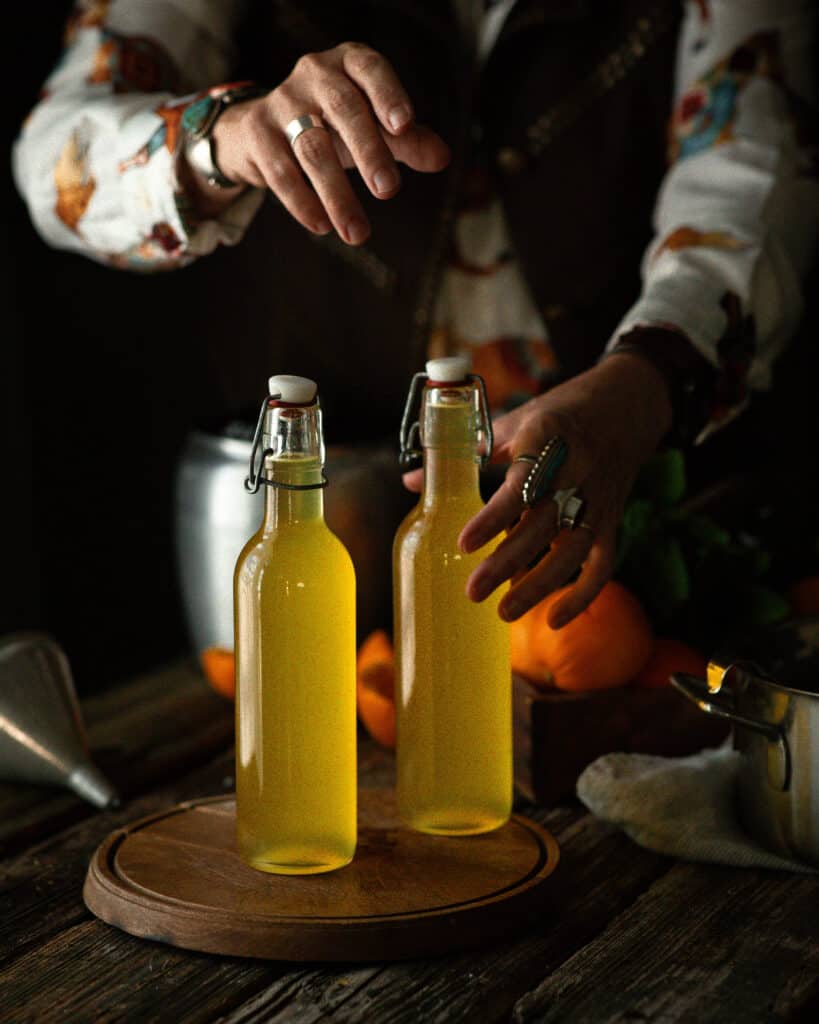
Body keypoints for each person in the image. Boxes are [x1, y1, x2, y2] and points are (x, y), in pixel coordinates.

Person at [14, 0, 818, 630]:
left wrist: (643, 385)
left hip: (635, 546)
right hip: (331, 526)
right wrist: (217, 136)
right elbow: (55, 155)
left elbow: (755, 165)